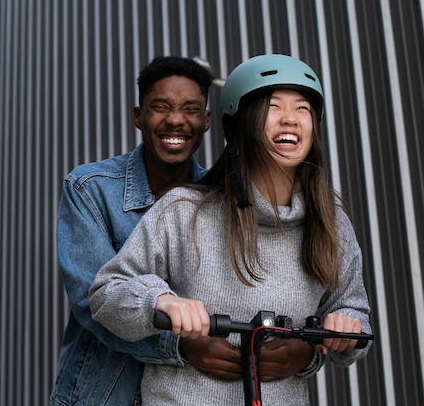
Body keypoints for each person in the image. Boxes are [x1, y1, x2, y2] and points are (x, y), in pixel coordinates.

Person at [89, 54, 373, 406]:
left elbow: (354, 315)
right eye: (273, 107)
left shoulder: (330, 221)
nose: (290, 119)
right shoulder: (184, 210)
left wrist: (339, 333)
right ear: (239, 124)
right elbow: (106, 294)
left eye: (302, 109)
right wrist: (157, 299)